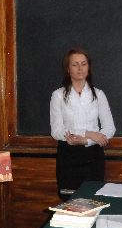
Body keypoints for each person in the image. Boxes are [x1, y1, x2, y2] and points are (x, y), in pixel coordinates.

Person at [50, 48, 116, 200]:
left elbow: (109, 128)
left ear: (88, 67)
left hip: (93, 155)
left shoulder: (98, 94)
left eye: (83, 64)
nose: (80, 68)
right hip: (68, 155)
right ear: (68, 69)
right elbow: (57, 130)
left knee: (92, 200)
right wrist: (88, 133)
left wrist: (88, 140)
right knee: (69, 201)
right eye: (75, 64)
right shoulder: (58, 95)